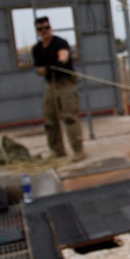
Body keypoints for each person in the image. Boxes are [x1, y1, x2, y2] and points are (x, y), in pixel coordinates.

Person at [32, 16, 85, 162]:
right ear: (37, 31)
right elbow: (38, 68)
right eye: (40, 29)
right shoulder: (36, 49)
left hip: (65, 83)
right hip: (51, 85)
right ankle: (58, 150)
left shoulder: (60, 42)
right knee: (50, 119)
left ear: (50, 28)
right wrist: (44, 69)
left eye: (46, 28)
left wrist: (50, 66)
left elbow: (63, 58)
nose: (44, 31)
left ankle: (78, 150)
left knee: (69, 117)